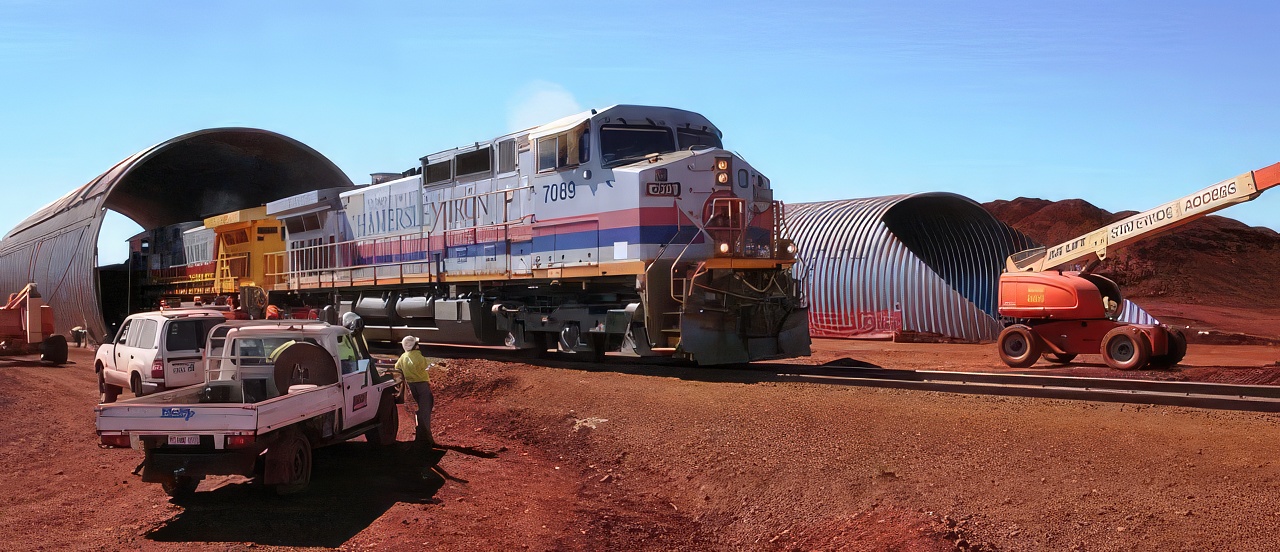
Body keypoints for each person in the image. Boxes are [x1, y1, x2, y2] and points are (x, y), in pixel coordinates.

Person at [394, 335, 445, 449]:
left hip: (411, 386)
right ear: (414, 346)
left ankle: (420, 437)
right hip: (422, 386)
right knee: (425, 412)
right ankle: (426, 440)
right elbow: (424, 365)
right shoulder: (418, 355)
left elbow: (397, 368)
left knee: (418, 412)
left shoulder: (403, 357)